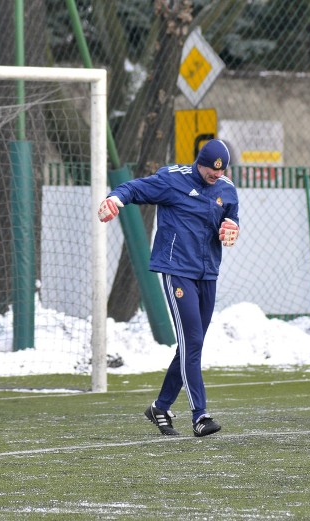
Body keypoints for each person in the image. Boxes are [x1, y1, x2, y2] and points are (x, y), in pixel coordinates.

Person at [98, 139, 239, 437]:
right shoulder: (172, 180)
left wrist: (231, 227)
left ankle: (160, 407)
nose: (216, 176)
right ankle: (200, 415)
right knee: (192, 340)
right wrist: (115, 199)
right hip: (177, 271)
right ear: (199, 163)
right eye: (211, 170)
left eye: (221, 171)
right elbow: (135, 188)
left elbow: (231, 218)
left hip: (208, 273)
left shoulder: (226, 188)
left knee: (193, 343)